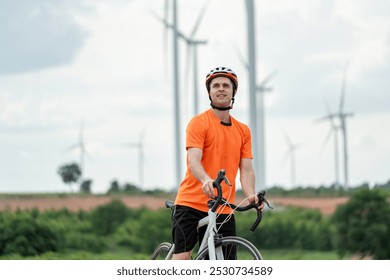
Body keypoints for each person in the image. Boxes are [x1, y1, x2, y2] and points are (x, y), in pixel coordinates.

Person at [171, 66, 264, 260]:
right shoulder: (199, 123)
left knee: (226, 266)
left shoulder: (243, 130)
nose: (221, 89)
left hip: (223, 206)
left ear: (233, 92)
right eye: (216, 86)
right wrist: (205, 179)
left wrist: (251, 195)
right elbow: (193, 160)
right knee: (182, 259)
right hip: (190, 203)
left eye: (226, 85)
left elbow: (246, 170)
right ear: (210, 92)